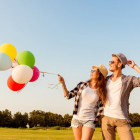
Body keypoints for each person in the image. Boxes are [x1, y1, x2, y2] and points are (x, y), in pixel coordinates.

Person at [58, 64, 108, 140]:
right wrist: (63, 83)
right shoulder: (82, 84)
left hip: (90, 119)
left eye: (94, 71)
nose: (91, 72)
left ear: (100, 74)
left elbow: (106, 104)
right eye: (91, 70)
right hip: (77, 118)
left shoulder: (102, 91)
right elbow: (68, 96)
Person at [102, 53, 140, 140]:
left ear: (119, 64)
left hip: (122, 118)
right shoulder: (105, 79)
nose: (109, 63)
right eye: (109, 61)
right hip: (106, 117)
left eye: (112, 62)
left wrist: (135, 66)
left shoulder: (128, 80)